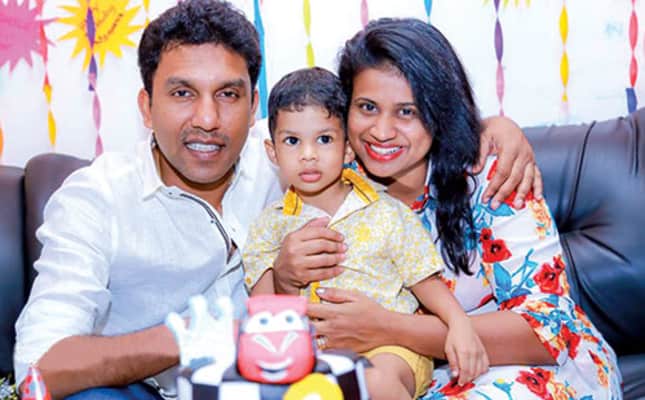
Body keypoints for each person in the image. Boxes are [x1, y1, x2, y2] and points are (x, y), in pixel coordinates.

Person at [13, 1, 540, 399]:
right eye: (182, 93)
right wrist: (197, 337)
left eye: (228, 94)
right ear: (146, 107)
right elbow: (37, 369)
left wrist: (493, 127)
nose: (208, 119)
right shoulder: (96, 199)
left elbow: (393, 127)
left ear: (253, 109)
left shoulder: (295, 161)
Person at [272, 18, 622, 399]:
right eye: (367, 107)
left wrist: (388, 327)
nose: (382, 131)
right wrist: (284, 276)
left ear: (440, 112)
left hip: (535, 371)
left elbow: (548, 331)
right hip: (421, 379)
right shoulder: (328, 181)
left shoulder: (490, 173)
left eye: (407, 112)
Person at [243, 67, 488, 399]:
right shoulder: (268, 227)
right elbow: (266, 314)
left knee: (372, 383)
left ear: (347, 149)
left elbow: (424, 280)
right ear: (273, 152)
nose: (308, 154)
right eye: (292, 141)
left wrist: (459, 324)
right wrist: (285, 279)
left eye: (324, 139)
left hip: (391, 350)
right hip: (313, 356)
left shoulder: (386, 212)